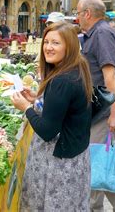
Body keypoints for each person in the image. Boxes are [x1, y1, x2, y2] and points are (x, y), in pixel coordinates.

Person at [10, 21, 92, 211]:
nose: (48, 47)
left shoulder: (62, 80)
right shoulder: (77, 68)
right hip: (75, 157)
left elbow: (47, 130)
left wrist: (25, 108)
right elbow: (65, 111)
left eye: (55, 43)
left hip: (58, 163)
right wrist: (37, 100)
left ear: (69, 46)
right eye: (46, 42)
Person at [76, 0, 115, 212]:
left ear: (87, 13)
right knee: (104, 163)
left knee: (96, 164)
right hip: (97, 111)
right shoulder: (94, 34)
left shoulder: (102, 34)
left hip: (103, 113)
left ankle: (94, 208)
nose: (77, 18)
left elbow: (110, 76)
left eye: (78, 13)